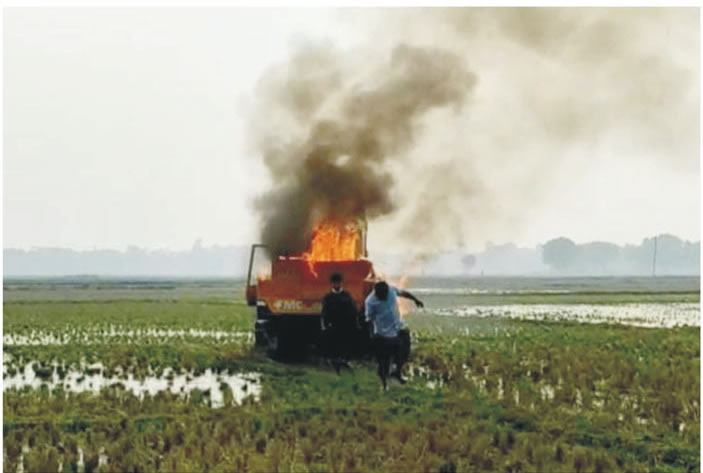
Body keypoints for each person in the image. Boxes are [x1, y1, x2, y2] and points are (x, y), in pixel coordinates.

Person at [365, 281, 424, 390]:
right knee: (383, 361)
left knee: (403, 352)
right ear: (376, 293)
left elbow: (404, 293)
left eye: (385, 294)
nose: (384, 297)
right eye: (381, 296)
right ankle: (384, 384)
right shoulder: (370, 302)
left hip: (397, 328)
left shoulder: (391, 290)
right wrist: (372, 335)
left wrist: (415, 300)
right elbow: (369, 320)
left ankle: (397, 373)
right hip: (382, 334)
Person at [320, 272, 358, 374]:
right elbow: (324, 312)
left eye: (338, 283)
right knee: (333, 343)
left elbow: (353, 310)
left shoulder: (347, 296)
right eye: (335, 283)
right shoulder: (328, 297)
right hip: (333, 325)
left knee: (345, 343)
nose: (336, 285)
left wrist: (353, 323)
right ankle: (334, 361)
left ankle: (344, 360)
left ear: (341, 283)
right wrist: (324, 324)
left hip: (345, 325)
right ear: (332, 284)